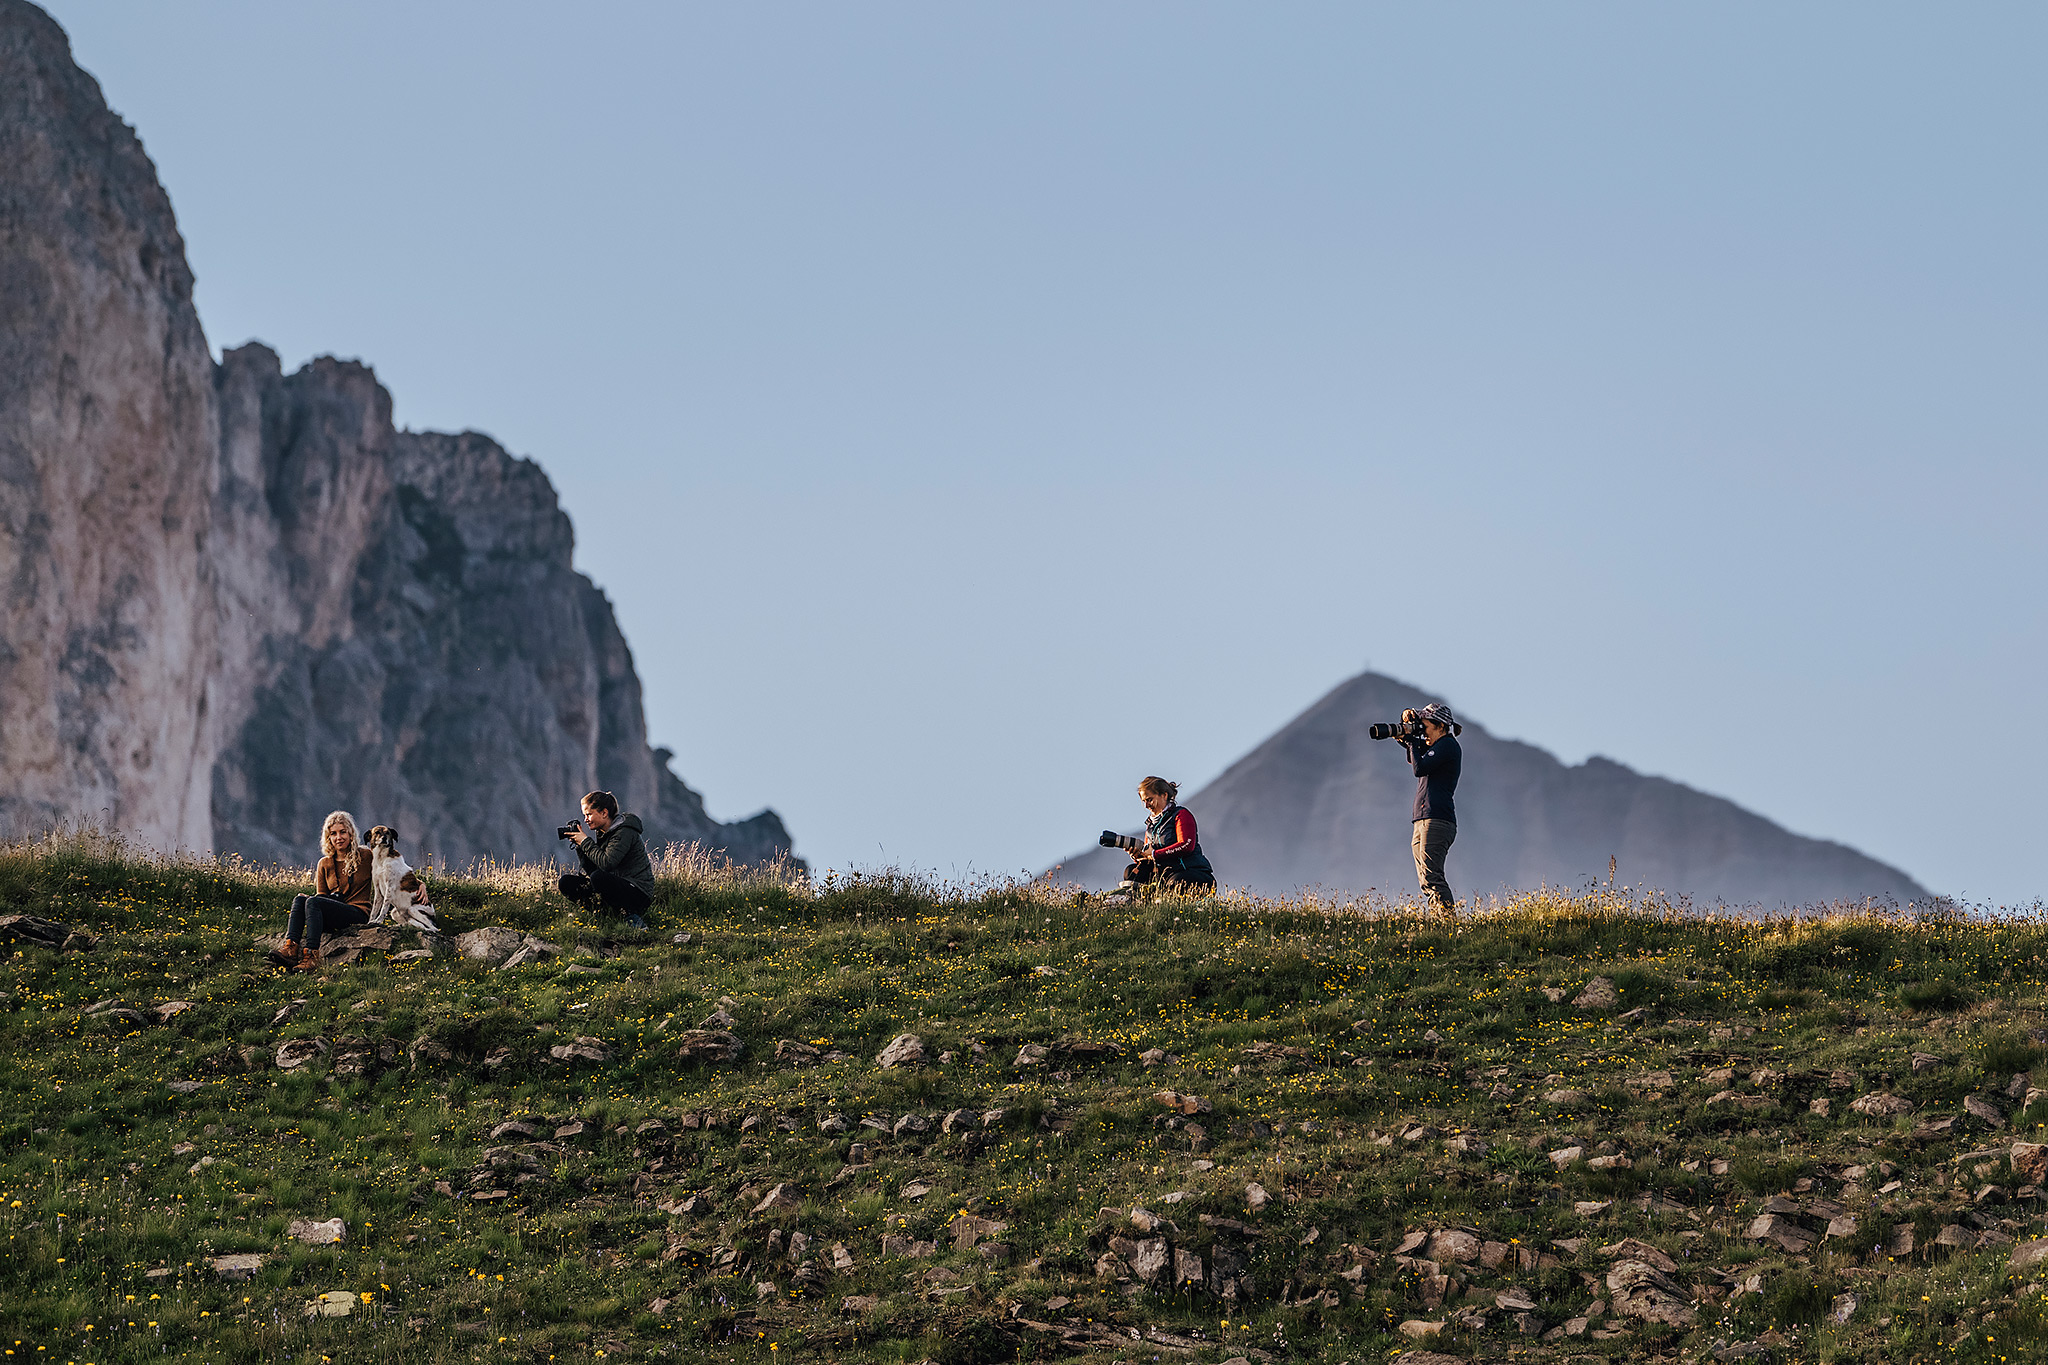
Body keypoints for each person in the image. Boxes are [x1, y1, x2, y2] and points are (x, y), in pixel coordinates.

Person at [270, 810, 390, 970]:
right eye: (333, 833)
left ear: (351, 833)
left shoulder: (366, 855)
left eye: (343, 832)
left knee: (312, 901)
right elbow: (322, 898)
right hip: (334, 913)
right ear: (328, 837)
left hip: (358, 913)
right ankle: (291, 949)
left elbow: (392, 867)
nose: (338, 837)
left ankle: (311, 957)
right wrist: (310, 900)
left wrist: (420, 884)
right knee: (300, 900)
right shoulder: (324, 863)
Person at [1399, 703, 1463, 911]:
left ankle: (1447, 922)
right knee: (1425, 879)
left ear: (1441, 726)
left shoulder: (1447, 746)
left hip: (1436, 819)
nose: (1421, 731)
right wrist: (1404, 734)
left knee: (1432, 875)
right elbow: (1415, 757)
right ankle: (1440, 919)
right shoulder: (1437, 747)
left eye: (1424, 726)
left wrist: (1411, 741)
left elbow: (1420, 768)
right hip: (1423, 819)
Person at [559, 790, 656, 928]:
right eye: (584, 815)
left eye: (589, 814)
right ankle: (606, 915)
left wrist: (585, 841)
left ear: (604, 813)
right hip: (617, 888)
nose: (586, 819)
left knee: (599, 877)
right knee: (566, 882)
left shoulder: (624, 831)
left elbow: (607, 864)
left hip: (638, 892)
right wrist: (579, 846)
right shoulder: (603, 833)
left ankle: (632, 919)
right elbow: (593, 871)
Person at [1113, 776, 1217, 897]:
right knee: (1131, 871)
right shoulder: (1151, 825)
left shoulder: (1181, 815)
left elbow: (1186, 845)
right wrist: (1139, 857)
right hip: (1164, 876)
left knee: (1176, 882)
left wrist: (1154, 854)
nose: (1146, 805)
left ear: (1164, 795)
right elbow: (1150, 856)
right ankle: (1132, 903)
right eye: (1143, 801)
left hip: (1191, 873)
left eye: (1150, 800)